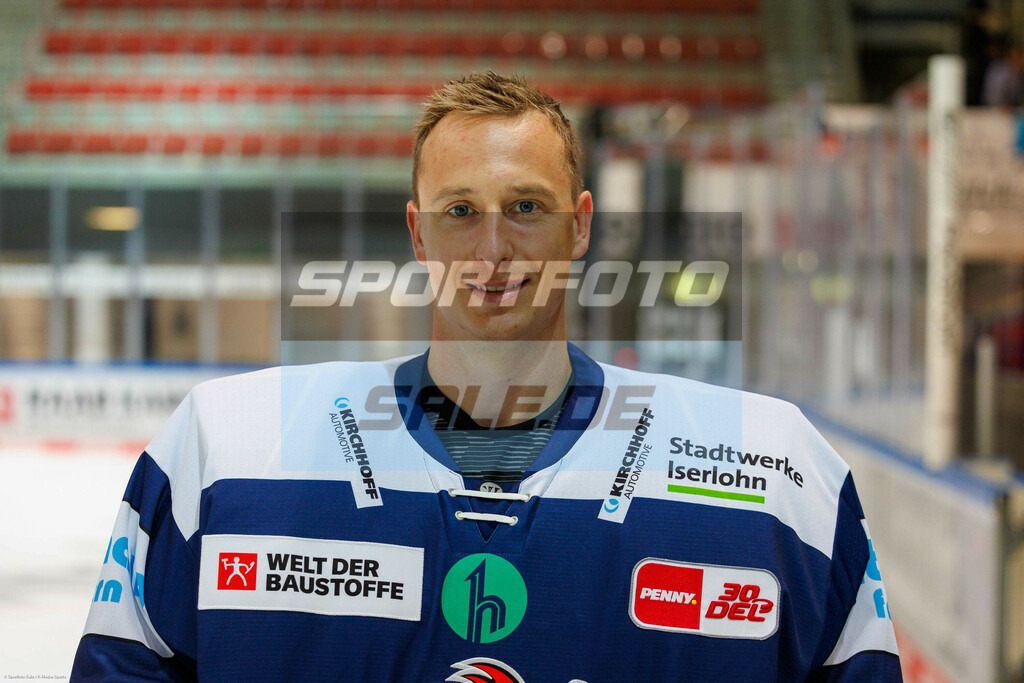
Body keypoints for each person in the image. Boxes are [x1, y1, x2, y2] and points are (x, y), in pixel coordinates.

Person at [71, 72, 901, 681]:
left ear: (581, 227)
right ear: (419, 234)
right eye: (460, 212)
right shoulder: (222, 452)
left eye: (527, 208)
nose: (494, 251)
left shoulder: (781, 471)